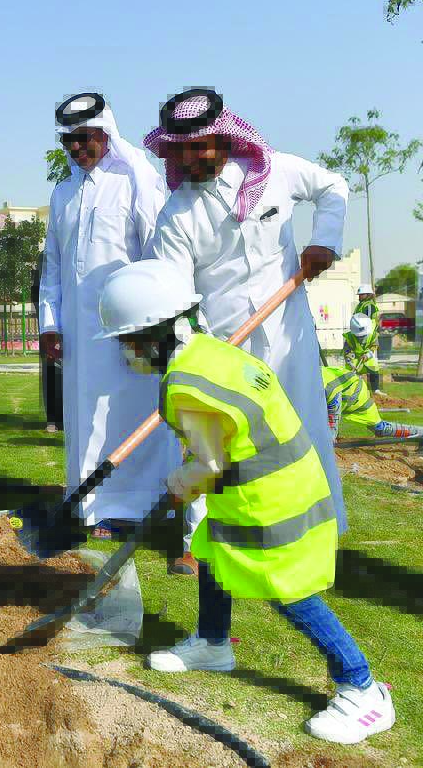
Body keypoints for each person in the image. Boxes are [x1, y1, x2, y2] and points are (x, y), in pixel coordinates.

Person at [97, 259, 395, 745]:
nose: (127, 353)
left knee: (288, 589)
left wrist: (178, 482)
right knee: (212, 550)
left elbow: (208, 463)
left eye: (127, 342)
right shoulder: (213, 353)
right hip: (272, 482)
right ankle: (213, 643)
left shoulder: (184, 386)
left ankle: (361, 687)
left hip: (271, 498)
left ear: (153, 337)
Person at [143, 88, 349, 578]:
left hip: (287, 328)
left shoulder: (274, 171)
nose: (192, 158)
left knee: (303, 423)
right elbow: (174, 292)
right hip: (222, 342)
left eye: (201, 146)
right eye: (181, 149)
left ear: (222, 136)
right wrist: (195, 346)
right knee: (213, 437)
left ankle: (322, 525)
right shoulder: (175, 215)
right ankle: (199, 541)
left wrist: (324, 241)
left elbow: (334, 186)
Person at [38, 92, 178, 533]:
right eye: (69, 142)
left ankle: (131, 505)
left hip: (130, 326)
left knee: (127, 411)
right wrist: (50, 323)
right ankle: (89, 501)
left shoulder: (136, 180)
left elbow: (159, 252)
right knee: (85, 416)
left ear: (105, 134)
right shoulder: (63, 193)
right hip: (80, 331)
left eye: (85, 139)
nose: (77, 149)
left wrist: (154, 321)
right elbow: (54, 264)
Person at [322, 364, 421, 441]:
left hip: (357, 394)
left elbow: (334, 411)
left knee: (380, 429)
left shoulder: (327, 386)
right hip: (344, 386)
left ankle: (420, 432)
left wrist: (331, 437)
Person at [31, 260, 62, 432]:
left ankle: (69, 415)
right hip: (52, 328)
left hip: (77, 325)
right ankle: (53, 418)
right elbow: (38, 294)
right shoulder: (46, 259)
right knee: (52, 372)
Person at [344, 315, 381, 395]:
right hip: (355, 357)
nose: (360, 338)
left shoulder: (373, 335)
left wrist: (367, 355)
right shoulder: (349, 338)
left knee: (373, 366)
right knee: (350, 370)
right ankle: (352, 389)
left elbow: (374, 347)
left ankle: (375, 389)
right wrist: (349, 361)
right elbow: (347, 351)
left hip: (367, 356)